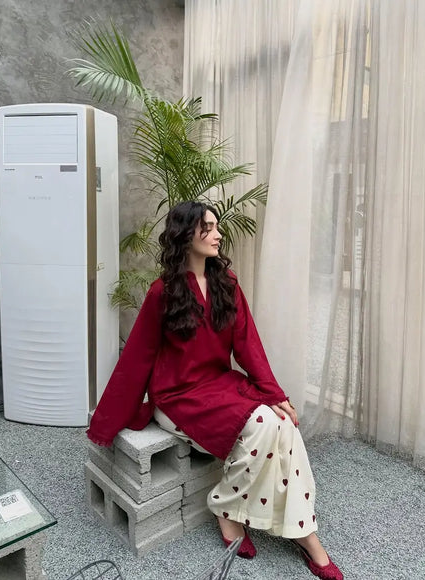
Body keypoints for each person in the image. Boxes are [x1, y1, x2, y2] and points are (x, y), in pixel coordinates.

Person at [87, 201, 343, 580]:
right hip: (178, 396)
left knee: (283, 424)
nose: (218, 234)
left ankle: (300, 530)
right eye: (208, 227)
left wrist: (274, 393)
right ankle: (236, 511)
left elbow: (248, 345)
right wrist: (110, 419)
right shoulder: (163, 293)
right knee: (263, 425)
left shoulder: (227, 284)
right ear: (185, 233)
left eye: (217, 226)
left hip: (219, 386)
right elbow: (137, 358)